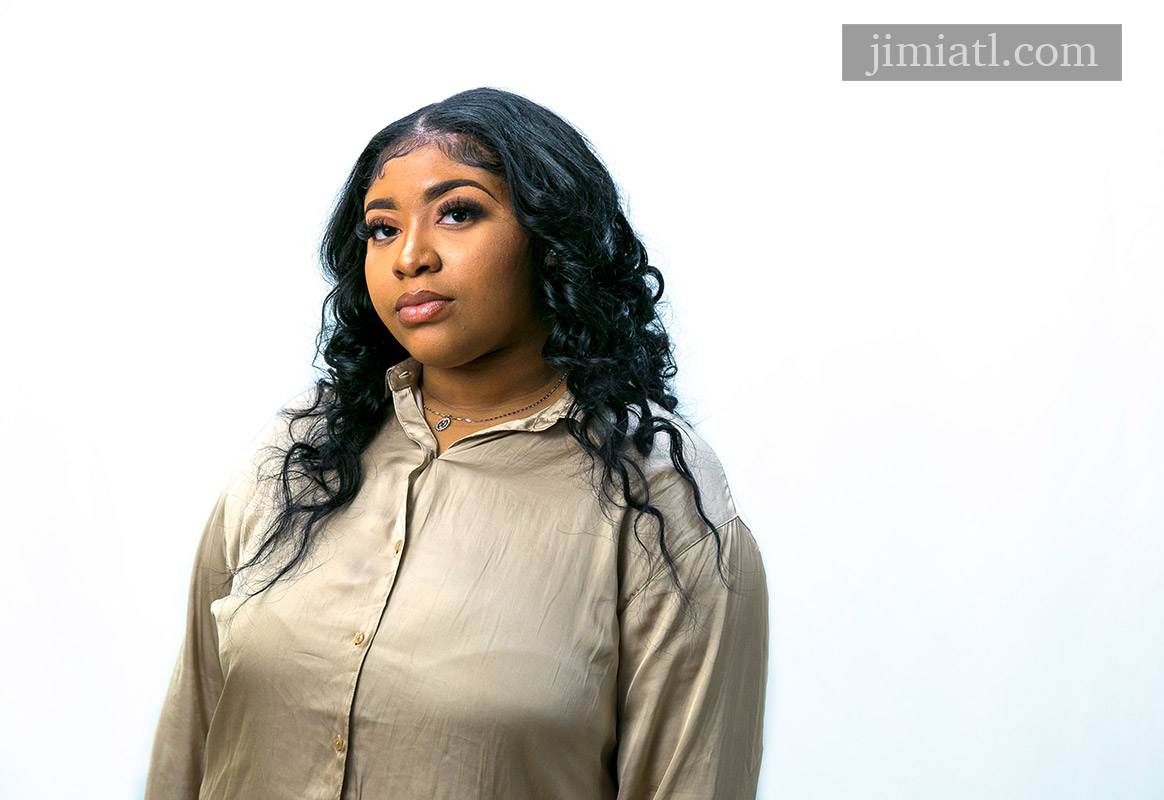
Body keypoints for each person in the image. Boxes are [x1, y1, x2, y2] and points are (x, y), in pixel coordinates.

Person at [145, 87, 768, 800]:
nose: (411, 255)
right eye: (382, 229)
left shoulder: (660, 499)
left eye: (459, 213)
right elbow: (191, 737)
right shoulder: (299, 451)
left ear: (554, 241)